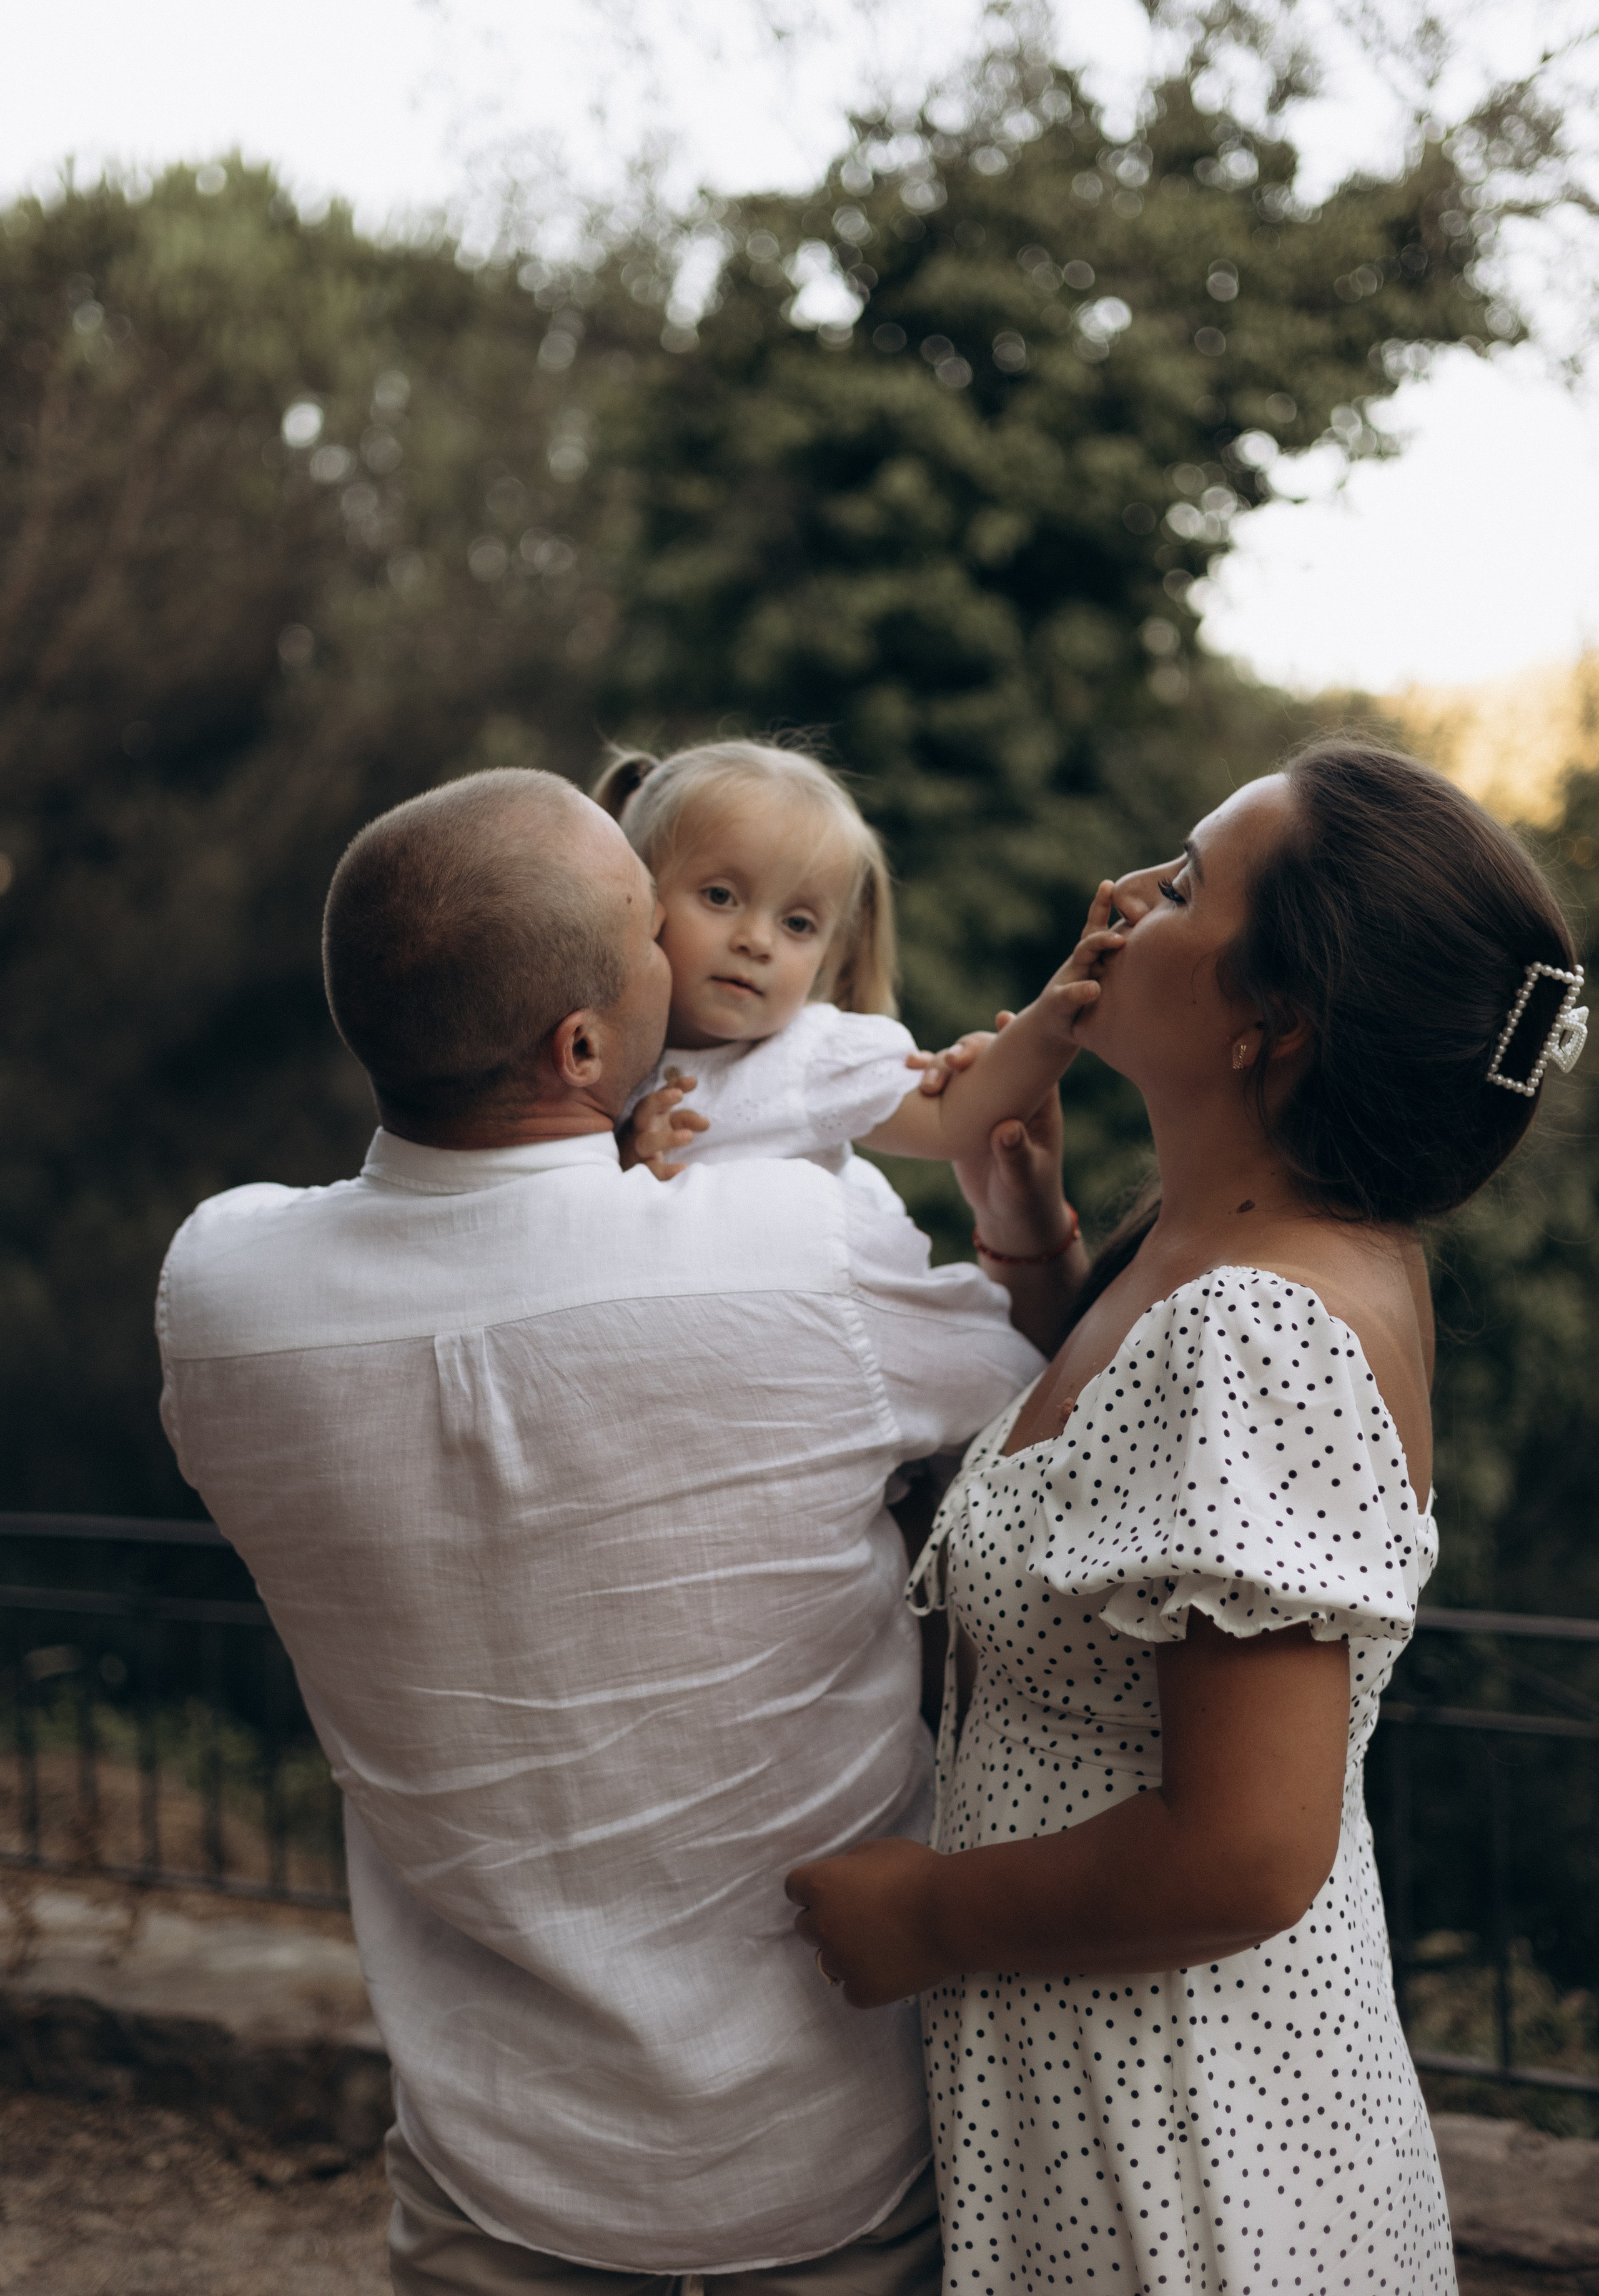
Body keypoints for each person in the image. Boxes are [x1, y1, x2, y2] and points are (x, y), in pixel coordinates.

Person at [155, 766, 1080, 2295]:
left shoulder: (221, 1294)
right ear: (584, 1043)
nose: (696, 957)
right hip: (824, 2150)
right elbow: (1048, 1404)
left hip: (490, 2166)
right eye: (656, 929)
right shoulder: (798, 1242)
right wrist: (1025, 1218)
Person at [785, 740, 1585, 2296]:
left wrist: (928, 1909)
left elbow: (1242, 1849)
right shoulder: (1201, 1248)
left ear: (1267, 1030)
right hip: (1102, 2090)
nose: (1114, 900)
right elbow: (1114, 1518)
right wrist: (1036, 1269)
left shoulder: (1257, 1328)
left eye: (1181, 882)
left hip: (1187, 2158)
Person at [594, 741, 1112, 1229]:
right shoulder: (589, 1052)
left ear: (829, 957)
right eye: (721, 896)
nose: (756, 941)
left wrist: (1051, 1021)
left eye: (797, 924)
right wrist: (629, 1156)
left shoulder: (814, 1054)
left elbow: (954, 1118)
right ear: (635, 895)